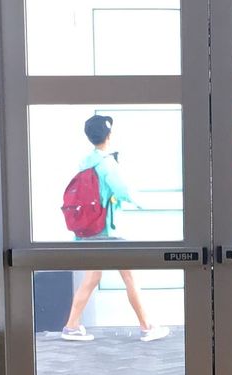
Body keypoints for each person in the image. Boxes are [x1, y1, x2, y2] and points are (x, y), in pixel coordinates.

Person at [62, 113, 170, 343]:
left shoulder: (85, 161)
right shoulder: (106, 163)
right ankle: (146, 326)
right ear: (109, 135)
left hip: (90, 230)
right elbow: (123, 191)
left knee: (92, 276)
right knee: (129, 277)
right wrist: (146, 204)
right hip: (108, 231)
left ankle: (72, 326)